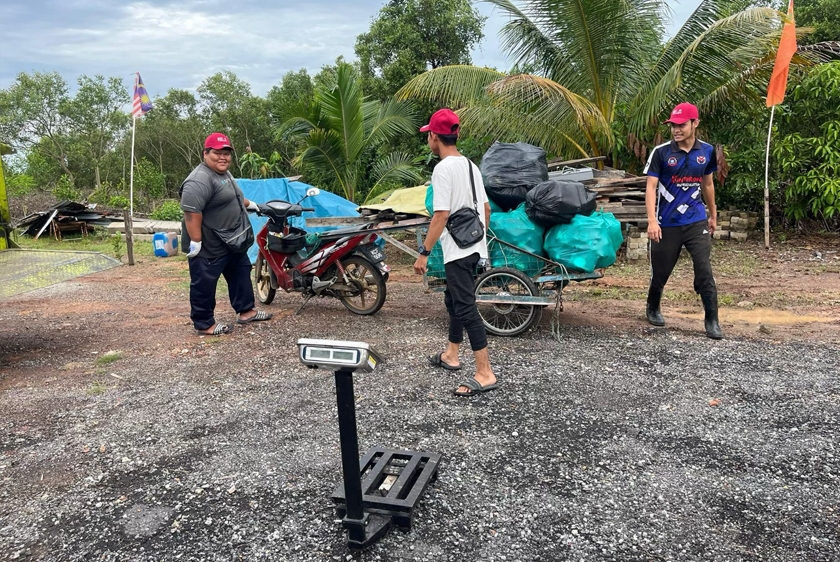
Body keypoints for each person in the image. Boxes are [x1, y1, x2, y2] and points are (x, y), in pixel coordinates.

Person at [413, 109, 497, 396]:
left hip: (458, 250)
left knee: (465, 306)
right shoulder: (471, 165)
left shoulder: (443, 169)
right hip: (473, 245)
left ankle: (485, 373)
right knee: (453, 300)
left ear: (435, 137)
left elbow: (440, 215)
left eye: (429, 135)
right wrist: (478, 241)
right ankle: (451, 354)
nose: (429, 140)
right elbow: (485, 209)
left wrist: (424, 252)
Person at [180, 133, 272, 335]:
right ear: (205, 153)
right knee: (205, 283)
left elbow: (236, 197)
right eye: (217, 153)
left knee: (240, 273)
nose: (223, 157)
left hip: (231, 242)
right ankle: (204, 324)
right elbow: (191, 212)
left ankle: (246, 311)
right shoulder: (198, 180)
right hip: (209, 245)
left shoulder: (224, 174)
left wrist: (254, 205)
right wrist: (196, 242)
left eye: (226, 153)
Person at [644, 103, 723, 339]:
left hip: (696, 219)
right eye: (673, 125)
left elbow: (708, 184)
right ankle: (653, 305)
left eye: (681, 125)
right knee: (661, 271)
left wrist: (713, 214)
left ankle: (712, 320)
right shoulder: (661, 152)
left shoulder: (707, 152)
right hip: (667, 222)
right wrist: (651, 221)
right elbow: (650, 187)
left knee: (704, 268)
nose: (676, 130)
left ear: (695, 124)